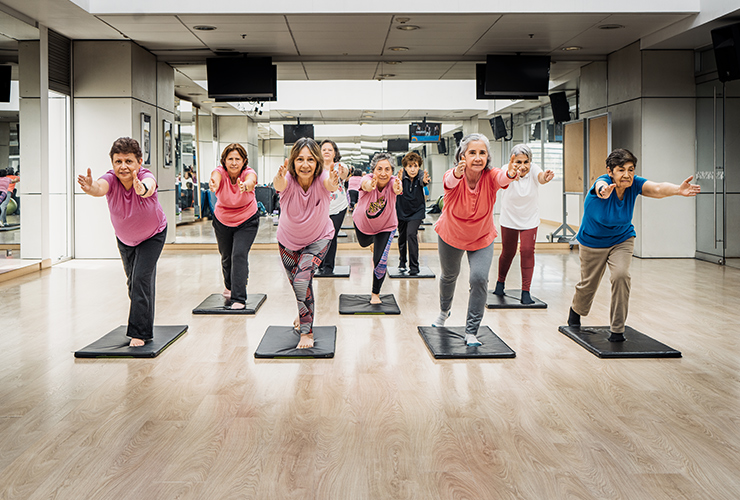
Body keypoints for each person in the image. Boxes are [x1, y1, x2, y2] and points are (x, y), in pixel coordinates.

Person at [568, 148, 700, 341]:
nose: (627, 175)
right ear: (610, 171)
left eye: (631, 169)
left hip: (622, 238)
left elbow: (656, 188)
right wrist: (604, 191)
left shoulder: (634, 184)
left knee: (621, 276)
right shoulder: (602, 183)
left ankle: (617, 330)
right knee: (588, 285)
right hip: (593, 242)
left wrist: (678, 190)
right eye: (621, 170)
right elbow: (600, 188)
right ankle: (575, 312)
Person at [77, 137, 167, 347]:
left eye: (128, 161)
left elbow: (149, 187)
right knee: (134, 283)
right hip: (126, 239)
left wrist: (141, 189)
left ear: (139, 162)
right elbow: (100, 188)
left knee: (140, 280)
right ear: (112, 163)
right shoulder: (110, 178)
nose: (123, 167)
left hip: (153, 235)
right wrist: (90, 188)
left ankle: (140, 333)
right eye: (118, 162)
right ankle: (144, 321)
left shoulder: (145, 176)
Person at [433, 133, 519, 346]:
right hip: (451, 234)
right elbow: (449, 180)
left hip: (481, 236)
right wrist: (456, 172)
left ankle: (471, 331)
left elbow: (503, 178)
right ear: (462, 155)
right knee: (449, 276)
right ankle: (444, 311)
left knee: (479, 279)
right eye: (472, 153)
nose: (478, 157)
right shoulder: (452, 176)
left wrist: (510, 172)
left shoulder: (491, 176)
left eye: (482, 153)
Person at [274, 137, 339, 349]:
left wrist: (334, 180)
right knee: (299, 285)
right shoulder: (288, 180)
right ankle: (304, 316)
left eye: (310, 159)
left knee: (302, 281)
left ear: (317, 162)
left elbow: (330, 183)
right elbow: (279, 184)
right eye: (300, 159)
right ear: (292, 162)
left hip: (318, 238)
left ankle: (307, 333)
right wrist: (279, 176)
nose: (305, 165)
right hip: (287, 242)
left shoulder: (322, 178)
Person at [493, 144, 554, 304]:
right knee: (508, 252)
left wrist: (545, 177)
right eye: (518, 162)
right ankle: (500, 283)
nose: (522, 166)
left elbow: (540, 177)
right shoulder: (506, 169)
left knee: (527, 251)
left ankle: (526, 291)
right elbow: (502, 181)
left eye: (525, 162)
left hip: (529, 219)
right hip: (509, 218)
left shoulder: (533, 169)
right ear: (512, 161)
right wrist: (511, 174)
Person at [209, 143, 259, 310]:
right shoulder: (220, 172)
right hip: (222, 220)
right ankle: (230, 286)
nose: (234, 162)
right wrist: (214, 183)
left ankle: (239, 298)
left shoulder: (248, 173)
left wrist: (246, 185)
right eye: (230, 159)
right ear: (224, 160)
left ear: (244, 161)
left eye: (237, 159)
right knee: (226, 256)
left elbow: (251, 181)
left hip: (247, 220)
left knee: (238, 255)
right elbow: (215, 176)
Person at [352, 152, 403, 305]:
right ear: (373, 170)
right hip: (363, 225)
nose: (383, 173)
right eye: (379, 169)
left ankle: (375, 293)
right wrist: (370, 185)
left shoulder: (394, 181)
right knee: (363, 243)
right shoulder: (366, 179)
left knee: (380, 261)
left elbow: (397, 188)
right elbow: (365, 185)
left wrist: (398, 187)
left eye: (387, 169)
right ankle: (373, 244)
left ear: (392, 171)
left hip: (386, 227)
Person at [318, 139, 350, 275]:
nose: (326, 152)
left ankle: (329, 267)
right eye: (324, 149)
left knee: (331, 235)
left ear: (334, 153)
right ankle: (320, 264)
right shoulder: (316, 167)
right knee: (320, 236)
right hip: (320, 207)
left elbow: (345, 173)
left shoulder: (339, 165)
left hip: (338, 206)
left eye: (329, 150)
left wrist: (344, 172)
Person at [396, 151, 430, 274]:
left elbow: (423, 180)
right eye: (410, 166)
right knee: (402, 236)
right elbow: (394, 187)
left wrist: (425, 181)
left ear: (419, 166)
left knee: (411, 234)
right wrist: (397, 182)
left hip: (417, 211)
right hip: (401, 210)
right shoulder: (400, 176)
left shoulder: (421, 175)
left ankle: (414, 267)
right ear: (405, 167)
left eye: (415, 166)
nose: (413, 169)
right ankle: (402, 261)